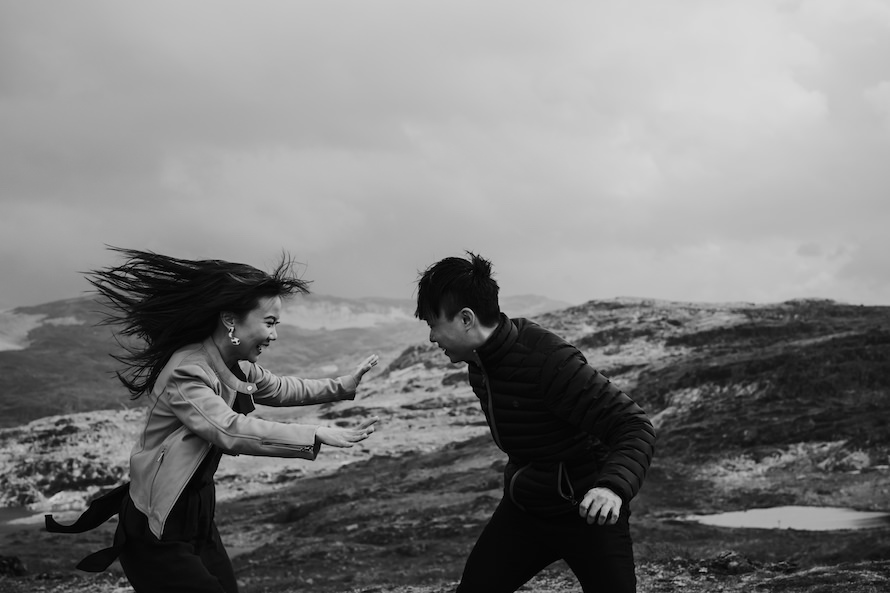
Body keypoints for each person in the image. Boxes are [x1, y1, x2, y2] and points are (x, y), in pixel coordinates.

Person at [46, 247, 380, 593]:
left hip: (198, 520)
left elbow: (281, 388)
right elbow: (228, 429)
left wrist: (342, 386)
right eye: (269, 323)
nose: (274, 335)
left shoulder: (236, 365)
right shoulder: (188, 370)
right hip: (157, 527)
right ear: (231, 320)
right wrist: (315, 434)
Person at [415, 252, 656, 593]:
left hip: (587, 513)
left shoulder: (547, 361)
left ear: (466, 319)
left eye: (433, 324)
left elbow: (633, 425)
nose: (431, 338)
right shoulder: (480, 364)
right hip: (526, 509)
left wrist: (612, 488)